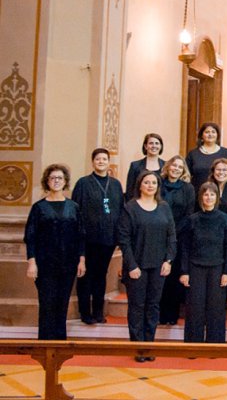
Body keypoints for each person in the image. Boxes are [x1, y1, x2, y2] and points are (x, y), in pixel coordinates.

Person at [117, 171, 177, 361]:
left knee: (153, 306)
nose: (150, 185)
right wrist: (132, 265)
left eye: (154, 182)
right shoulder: (130, 208)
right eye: (146, 182)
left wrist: (168, 260)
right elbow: (124, 240)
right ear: (140, 185)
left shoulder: (164, 207)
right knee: (137, 306)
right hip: (137, 267)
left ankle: (149, 344)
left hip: (158, 266)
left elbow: (171, 236)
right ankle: (138, 347)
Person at [25, 164, 86, 340]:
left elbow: (81, 235)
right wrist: (32, 262)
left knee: (62, 303)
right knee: (47, 304)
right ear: (47, 181)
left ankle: (59, 343)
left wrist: (81, 260)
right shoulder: (39, 208)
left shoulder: (73, 207)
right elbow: (30, 236)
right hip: (45, 264)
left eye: (60, 178)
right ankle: (44, 343)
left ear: (65, 181)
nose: (56, 181)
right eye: (53, 178)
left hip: (68, 263)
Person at [73, 148, 124, 325]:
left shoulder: (116, 184)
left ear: (108, 162)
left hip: (108, 239)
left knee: (101, 275)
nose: (101, 161)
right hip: (88, 238)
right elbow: (76, 211)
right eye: (98, 159)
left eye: (104, 159)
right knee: (86, 275)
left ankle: (98, 312)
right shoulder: (83, 183)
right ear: (93, 162)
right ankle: (85, 312)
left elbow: (120, 209)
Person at [179, 182, 227, 343]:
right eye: (205, 194)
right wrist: (184, 272)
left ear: (217, 197)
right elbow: (185, 247)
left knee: (216, 309)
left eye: (212, 194)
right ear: (201, 197)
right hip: (195, 268)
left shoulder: (224, 219)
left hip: (217, 268)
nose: (209, 197)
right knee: (195, 308)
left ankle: (215, 344)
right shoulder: (192, 219)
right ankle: (193, 344)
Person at [158, 155, 195, 326]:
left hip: (179, 236)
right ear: (167, 167)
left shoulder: (188, 189)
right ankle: (157, 312)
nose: (176, 169)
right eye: (174, 166)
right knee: (159, 275)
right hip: (157, 236)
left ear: (183, 171)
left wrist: (174, 233)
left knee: (173, 276)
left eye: (180, 167)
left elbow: (189, 213)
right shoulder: (157, 184)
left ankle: (171, 314)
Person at [185, 122, 227, 193]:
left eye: (213, 132)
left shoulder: (225, 153)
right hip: (197, 193)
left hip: (221, 194)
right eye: (207, 132)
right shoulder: (193, 154)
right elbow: (186, 175)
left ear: (217, 135)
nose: (210, 134)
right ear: (201, 135)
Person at [125, 133, 165, 201]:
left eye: (157, 143)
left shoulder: (166, 166)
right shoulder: (135, 166)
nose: (154, 146)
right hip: (139, 205)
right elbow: (130, 190)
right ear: (145, 146)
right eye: (151, 143)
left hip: (160, 205)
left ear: (161, 146)